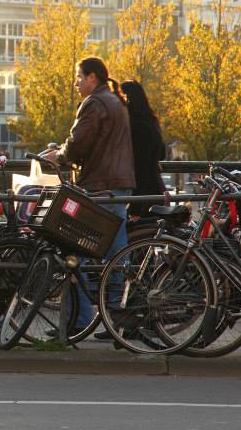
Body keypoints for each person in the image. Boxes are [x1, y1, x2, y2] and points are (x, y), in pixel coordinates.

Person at [43, 56, 135, 336]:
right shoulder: (115, 102)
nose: (76, 83)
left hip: (100, 186)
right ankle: (114, 317)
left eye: (79, 77)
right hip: (117, 183)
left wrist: (58, 155)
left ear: (92, 77)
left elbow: (78, 143)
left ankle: (79, 319)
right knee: (117, 254)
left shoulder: (94, 103)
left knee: (75, 250)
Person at [120, 80, 167, 220]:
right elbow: (162, 153)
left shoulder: (135, 127)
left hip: (141, 195)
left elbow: (139, 168)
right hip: (155, 189)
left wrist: (135, 206)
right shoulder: (150, 121)